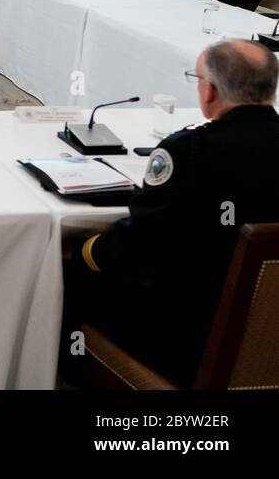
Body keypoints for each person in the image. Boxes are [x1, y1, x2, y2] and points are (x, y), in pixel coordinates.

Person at [61, 39, 279, 386]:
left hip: (184, 342)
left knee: (71, 274)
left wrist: (83, 249)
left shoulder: (191, 151)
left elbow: (137, 245)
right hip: (266, 340)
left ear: (209, 92)